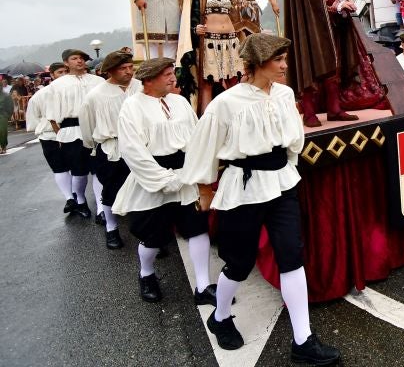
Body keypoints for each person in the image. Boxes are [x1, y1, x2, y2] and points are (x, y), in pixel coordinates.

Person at [181, 34, 341, 364]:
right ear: (257, 63)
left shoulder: (284, 94)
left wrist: (289, 169)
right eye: (278, 60)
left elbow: (293, 140)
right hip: (244, 188)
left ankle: (303, 340)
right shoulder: (227, 103)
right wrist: (204, 191)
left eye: (285, 58)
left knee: (291, 255)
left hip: (282, 184)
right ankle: (220, 317)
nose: (285, 66)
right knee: (239, 263)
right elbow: (203, 148)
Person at [113, 58, 213, 304]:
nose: (173, 78)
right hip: (153, 179)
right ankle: (146, 274)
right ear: (148, 80)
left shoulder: (180, 102)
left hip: (186, 176)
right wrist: (165, 179)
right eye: (167, 74)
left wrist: (196, 172)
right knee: (153, 237)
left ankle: (203, 286)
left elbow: (196, 137)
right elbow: (133, 151)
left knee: (197, 229)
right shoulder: (132, 107)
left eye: (172, 73)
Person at [283, 0, 386, 128]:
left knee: (335, 66)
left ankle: (334, 109)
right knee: (310, 63)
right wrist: (336, 5)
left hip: (333, 23)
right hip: (310, 24)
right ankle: (309, 113)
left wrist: (344, 2)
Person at [78, 51, 142, 249]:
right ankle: (111, 228)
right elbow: (87, 125)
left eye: (130, 67)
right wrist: (93, 147)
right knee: (111, 190)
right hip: (112, 147)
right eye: (123, 68)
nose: (129, 71)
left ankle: (147, 235)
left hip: (141, 146)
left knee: (144, 189)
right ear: (110, 71)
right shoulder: (96, 95)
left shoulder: (140, 87)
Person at [46, 49, 106, 219]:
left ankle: (101, 208)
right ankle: (80, 200)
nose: (79, 61)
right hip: (71, 129)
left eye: (82, 58)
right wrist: (60, 135)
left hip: (96, 129)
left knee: (98, 170)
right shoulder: (57, 85)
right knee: (79, 172)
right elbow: (52, 116)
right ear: (66, 62)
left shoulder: (98, 81)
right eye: (75, 58)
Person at [186, 0, 244, 112]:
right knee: (208, 83)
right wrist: (194, 29)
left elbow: (235, 14)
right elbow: (188, 17)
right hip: (210, 42)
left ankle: (237, 116)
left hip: (231, 41)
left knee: (234, 81)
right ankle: (207, 121)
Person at [25, 62, 71, 199]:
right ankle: (69, 198)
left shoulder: (74, 91)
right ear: (52, 75)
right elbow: (33, 118)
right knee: (59, 168)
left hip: (72, 133)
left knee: (77, 169)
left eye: (66, 72)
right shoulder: (40, 95)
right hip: (49, 136)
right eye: (60, 72)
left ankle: (78, 197)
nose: (63, 75)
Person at [0, 86, 11, 154]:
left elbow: (10, 106)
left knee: (2, 131)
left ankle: (3, 146)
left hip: (3, 115)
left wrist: (8, 116)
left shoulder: (6, 96)